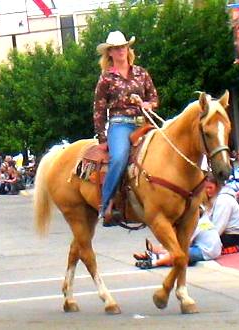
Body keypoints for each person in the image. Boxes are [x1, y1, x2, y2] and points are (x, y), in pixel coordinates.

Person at [93, 30, 158, 226]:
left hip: (143, 122)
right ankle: (106, 205)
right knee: (119, 157)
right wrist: (102, 138)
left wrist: (149, 105)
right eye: (116, 48)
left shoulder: (141, 73)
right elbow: (98, 109)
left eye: (123, 47)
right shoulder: (106, 78)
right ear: (110, 53)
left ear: (127, 49)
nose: (121, 51)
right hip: (120, 124)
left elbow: (154, 97)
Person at [134, 208, 222, 269]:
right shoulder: (205, 220)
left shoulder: (197, 225)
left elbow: (183, 244)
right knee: (174, 250)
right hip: (210, 249)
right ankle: (153, 255)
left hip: (205, 251)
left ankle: (154, 262)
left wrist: (162, 249)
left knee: (177, 253)